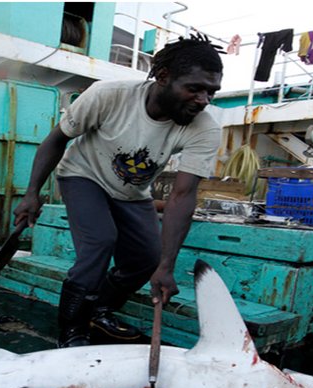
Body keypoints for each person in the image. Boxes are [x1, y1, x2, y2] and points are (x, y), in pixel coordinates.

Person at [12, 35, 223, 348]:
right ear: (163, 77)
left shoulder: (204, 128)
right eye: (194, 88)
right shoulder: (108, 95)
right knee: (100, 241)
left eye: (211, 91)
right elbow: (56, 140)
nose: (204, 100)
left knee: (146, 259)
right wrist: (32, 193)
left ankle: (101, 309)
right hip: (83, 175)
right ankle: (73, 330)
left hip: (132, 192)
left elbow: (182, 195)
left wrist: (166, 266)